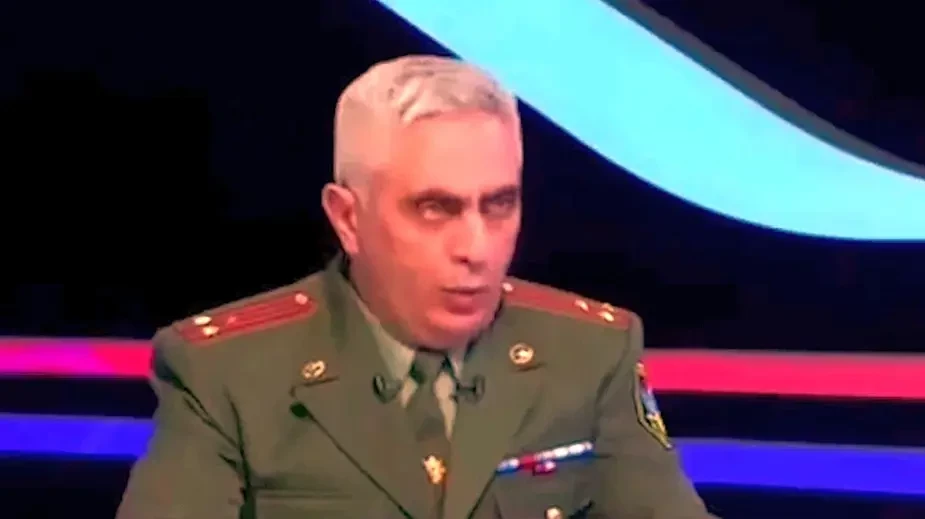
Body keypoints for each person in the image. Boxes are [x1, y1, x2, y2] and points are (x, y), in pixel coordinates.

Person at [116, 55, 718, 519]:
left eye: (499, 204)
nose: (477, 248)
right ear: (348, 218)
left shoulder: (590, 355)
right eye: (435, 209)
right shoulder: (226, 374)